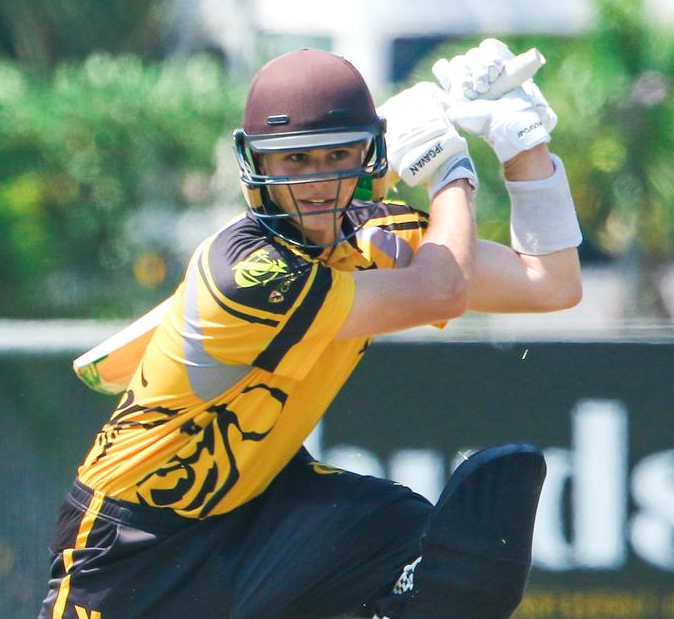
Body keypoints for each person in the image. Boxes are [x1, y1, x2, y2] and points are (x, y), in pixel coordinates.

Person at [39, 41, 583, 619]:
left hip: (267, 506)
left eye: (336, 155)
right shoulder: (246, 273)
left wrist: (523, 144)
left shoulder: (376, 235)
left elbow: (549, 283)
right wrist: (450, 173)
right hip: (135, 545)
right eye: (296, 161)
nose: (319, 183)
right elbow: (439, 289)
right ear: (259, 165)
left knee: (454, 562)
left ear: (369, 152)